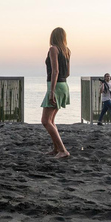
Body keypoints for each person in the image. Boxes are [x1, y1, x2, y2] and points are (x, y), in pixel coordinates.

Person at [41, 27, 71, 158]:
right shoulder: (67, 51)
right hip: (64, 85)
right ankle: (56, 149)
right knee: (51, 120)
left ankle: (63, 150)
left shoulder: (53, 49)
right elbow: (68, 73)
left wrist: (52, 91)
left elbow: (55, 71)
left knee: (45, 121)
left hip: (56, 85)